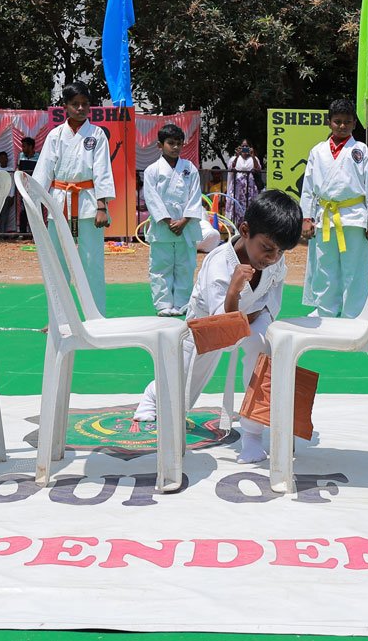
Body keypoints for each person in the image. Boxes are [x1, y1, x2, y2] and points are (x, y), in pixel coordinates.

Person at [133, 189, 303, 463]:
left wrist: (261, 320)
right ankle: (153, 396)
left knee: (263, 351)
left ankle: (253, 435)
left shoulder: (275, 258)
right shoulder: (219, 263)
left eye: (280, 251)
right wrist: (234, 292)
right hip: (207, 325)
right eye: (267, 248)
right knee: (183, 389)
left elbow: (273, 298)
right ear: (245, 231)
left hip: (254, 317)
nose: (273, 257)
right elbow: (223, 328)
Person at [299, 98, 368, 318]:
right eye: (337, 121)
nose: (342, 126)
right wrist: (307, 218)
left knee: (354, 268)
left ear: (354, 124)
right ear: (329, 122)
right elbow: (308, 187)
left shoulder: (361, 150)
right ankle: (326, 310)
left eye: (347, 122)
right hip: (325, 216)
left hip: (354, 215)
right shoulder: (318, 151)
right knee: (324, 266)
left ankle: (354, 313)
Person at [32, 82, 116, 311]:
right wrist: (36, 205)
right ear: (65, 106)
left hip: (88, 202)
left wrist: (102, 207)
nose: (80, 108)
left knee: (92, 261)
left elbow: (102, 171)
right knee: (57, 261)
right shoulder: (55, 135)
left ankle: (95, 316)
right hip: (59, 201)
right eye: (75, 104)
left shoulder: (97, 134)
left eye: (85, 104)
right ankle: (58, 317)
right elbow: (44, 171)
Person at [143, 123, 204, 317]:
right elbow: (151, 198)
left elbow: (195, 195)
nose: (175, 147)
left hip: (185, 225)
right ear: (160, 145)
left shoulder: (189, 168)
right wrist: (168, 220)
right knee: (161, 266)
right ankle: (163, 304)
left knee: (185, 266)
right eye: (171, 143)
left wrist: (184, 220)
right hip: (163, 226)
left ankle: (182, 303)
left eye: (179, 143)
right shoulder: (152, 170)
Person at [230, 138, 263, 224]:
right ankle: (238, 227)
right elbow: (231, 168)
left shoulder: (254, 158)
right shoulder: (234, 158)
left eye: (247, 146)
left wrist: (253, 156)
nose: (244, 148)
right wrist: (237, 156)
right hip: (238, 188)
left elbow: (257, 168)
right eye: (243, 146)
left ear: (250, 147)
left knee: (250, 207)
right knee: (237, 209)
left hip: (250, 188)